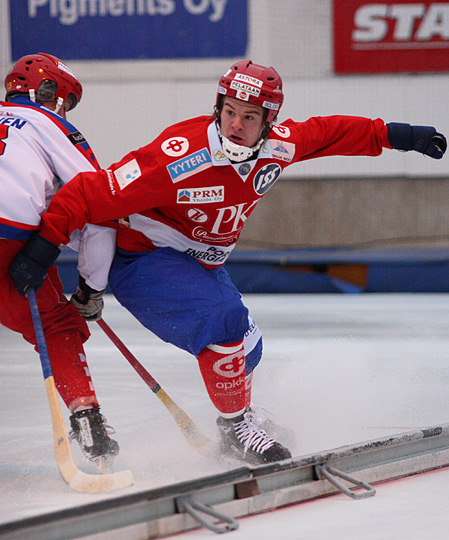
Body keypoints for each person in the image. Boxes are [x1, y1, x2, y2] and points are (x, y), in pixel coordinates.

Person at [9, 60, 446, 465]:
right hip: (145, 258)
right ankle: (236, 428)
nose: (236, 125)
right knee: (225, 321)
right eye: (230, 112)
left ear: (268, 123)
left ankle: (240, 414)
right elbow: (88, 192)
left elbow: (328, 132)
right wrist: (46, 246)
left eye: (250, 117)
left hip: (199, 262)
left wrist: (398, 135)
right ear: (218, 108)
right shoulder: (179, 155)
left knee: (247, 349)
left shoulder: (280, 146)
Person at [0, 52, 120, 471]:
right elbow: (99, 204)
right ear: (47, 90)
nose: (63, 109)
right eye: (64, 100)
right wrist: (91, 287)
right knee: (55, 325)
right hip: (6, 237)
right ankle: (87, 421)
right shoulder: (51, 124)